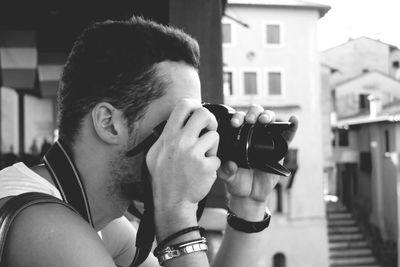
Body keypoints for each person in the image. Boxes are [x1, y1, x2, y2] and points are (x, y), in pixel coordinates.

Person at [0, 17, 298, 266]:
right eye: (180, 121)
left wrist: (249, 208)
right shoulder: (43, 227)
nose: (193, 139)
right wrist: (177, 211)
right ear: (109, 123)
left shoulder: (95, 218)